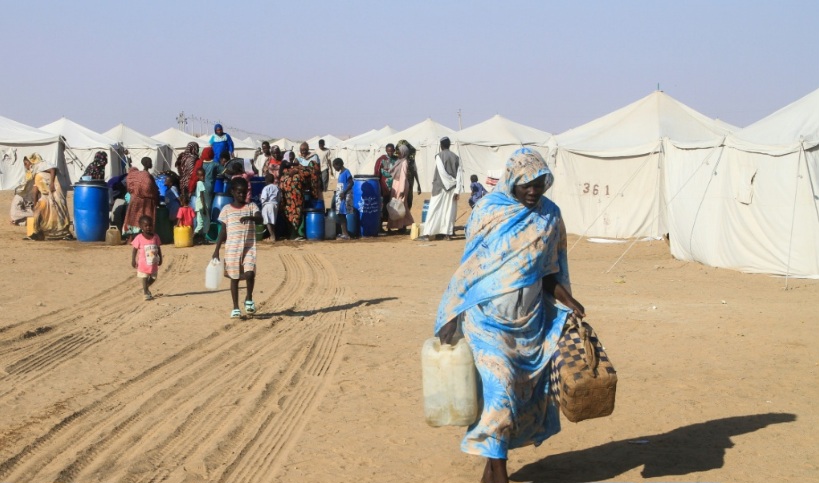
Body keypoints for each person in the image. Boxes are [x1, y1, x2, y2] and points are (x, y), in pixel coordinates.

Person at [434, 148, 586, 483]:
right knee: (501, 395)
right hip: (486, 324)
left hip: (529, 327)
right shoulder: (489, 211)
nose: (533, 190)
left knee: (511, 402)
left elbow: (548, 272)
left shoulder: (550, 216)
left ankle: (489, 475)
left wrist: (569, 301)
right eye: (526, 184)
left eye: (539, 184)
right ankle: (500, 476)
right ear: (512, 180)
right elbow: (471, 267)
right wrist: (452, 313)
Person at [212, 177, 263, 319]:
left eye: (244, 192)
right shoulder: (226, 210)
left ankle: (249, 298)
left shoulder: (251, 207)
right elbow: (223, 232)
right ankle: (235, 307)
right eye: (239, 192)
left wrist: (251, 218)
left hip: (248, 248)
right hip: (232, 250)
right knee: (234, 278)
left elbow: (260, 219)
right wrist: (216, 250)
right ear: (233, 192)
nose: (242, 195)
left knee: (250, 274)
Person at [421, 137, 463, 241]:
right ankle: (447, 234)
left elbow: (442, 172)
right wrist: (457, 190)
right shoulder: (456, 157)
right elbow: (459, 175)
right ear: (449, 145)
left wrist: (448, 183)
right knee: (449, 211)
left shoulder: (439, 156)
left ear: (441, 146)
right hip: (452, 188)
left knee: (434, 210)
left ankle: (428, 234)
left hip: (440, 187)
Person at [24, 154, 73, 240]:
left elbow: (52, 169)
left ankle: (65, 233)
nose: (25, 166)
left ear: (31, 161)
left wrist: (52, 183)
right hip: (45, 194)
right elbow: (35, 189)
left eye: (26, 163)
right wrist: (35, 203)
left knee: (58, 210)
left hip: (55, 189)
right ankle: (38, 233)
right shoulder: (34, 172)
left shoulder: (40, 165)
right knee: (38, 211)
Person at [123, 157, 160, 239]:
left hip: (135, 200)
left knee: (133, 218)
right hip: (147, 201)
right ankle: (144, 237)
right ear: (146, 164)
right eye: (150, 162)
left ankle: (131, 238)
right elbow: (151, 189)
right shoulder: (147, 176)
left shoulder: (138, 175)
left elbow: (130, 186)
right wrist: (156, 198)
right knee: (146, 218)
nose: (151, 164)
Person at [131, 215, 162, 301]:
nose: (148, 227)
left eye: (150, 225)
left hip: (153, 263)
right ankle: (145, 293)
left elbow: (158, 248)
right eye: (146, 226)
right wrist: (133, 260)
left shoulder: (156, 237)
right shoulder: (139, 238)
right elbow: (134, 250)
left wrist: (160, 258)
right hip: (143, 263)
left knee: (153, 277)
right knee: (144, 276)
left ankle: (146, 287)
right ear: (141, 227)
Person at [386, 144, 415, 233]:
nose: (397, 153)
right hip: (396, 184)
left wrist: (402, 190)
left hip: (401, 185)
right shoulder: (399, 161)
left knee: (400, 205)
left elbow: (403, 176)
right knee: (395, 205)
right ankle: (397, 225)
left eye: (399, 152)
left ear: (403, 152)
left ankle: (401, 226)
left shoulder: (404, 162)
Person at [278, 161, 307, 240]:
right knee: (296, 216)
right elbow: (304, 183)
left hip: (287, 201)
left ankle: (290, 234)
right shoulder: (297, 176)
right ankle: (294, 235)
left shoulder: (282, 177)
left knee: (289, 216)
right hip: (297, 200)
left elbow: (281, 190)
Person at [374, 143, 397, 227]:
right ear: (386, 150)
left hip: (394, 187)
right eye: (388, 151)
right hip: (384, 187)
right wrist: (377, 186)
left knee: (393, 206)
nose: (390, 153)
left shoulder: (397, 160)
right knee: (382, 206)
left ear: (394, 150)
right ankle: (380, 225)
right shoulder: (381, 160)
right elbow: (377, 173)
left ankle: (390, 225)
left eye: (391, 151)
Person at [396, 139, 422, 209]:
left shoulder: (411, 161)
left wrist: (418, 184)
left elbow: (414, 171)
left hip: (409, 185)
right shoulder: (396, 161)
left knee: (408, 201)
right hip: (399, 186)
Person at [9, 156, 35, 225]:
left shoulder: (36, 172)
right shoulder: (27, 173)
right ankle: (22, 220)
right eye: (24, 164)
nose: (25, 166)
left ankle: (34, 217)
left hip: (30, 198)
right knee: (14, 213)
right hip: (22, 195)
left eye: (26, 163)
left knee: (33, 212)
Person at [333, 158, 353, 240]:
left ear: (339, 165)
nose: (335, 169)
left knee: (342, 214)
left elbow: (351, 183)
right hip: (341, 196)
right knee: (340, 214)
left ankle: (345, 234)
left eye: (335, 166)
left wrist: (344, 192)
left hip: (344, 196)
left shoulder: (346, 172)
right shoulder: (341, 173)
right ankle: (344, 233)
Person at [260, 173, 280, 243]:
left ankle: (272, 236)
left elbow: (264, 198)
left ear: (266, 180)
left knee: (267, 221)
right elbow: (279, 198)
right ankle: (272, 235)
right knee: (273, 220)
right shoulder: (276, 187)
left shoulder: (266, 188)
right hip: (275, 204)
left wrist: (261, 200)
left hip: (267, 205)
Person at [193, 167, 210, 244]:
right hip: (201, 205)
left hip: (199, 206)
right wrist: (203, 207)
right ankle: (201, 237)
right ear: (198, 176)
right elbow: (202, 196)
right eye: (201, 176)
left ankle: (197, 238)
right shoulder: (200, 183)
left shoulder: (199, 183)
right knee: (205, 222)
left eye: (203, 175)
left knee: (200, 222)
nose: (202, 177)